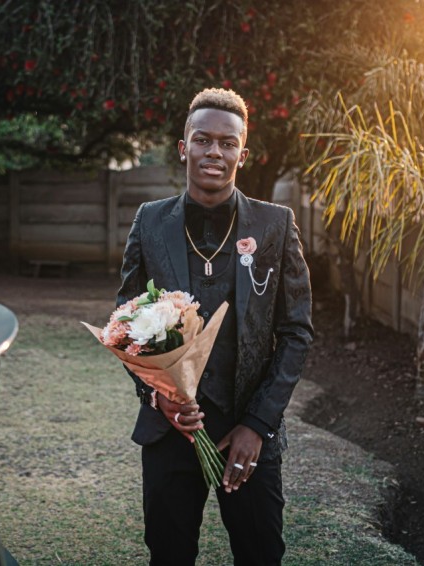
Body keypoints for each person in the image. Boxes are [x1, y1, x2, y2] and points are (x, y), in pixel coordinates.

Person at [117, 87, 314, 565]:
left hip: (249, 432)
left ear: (242, 154)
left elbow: (296, 332)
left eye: (227, 144)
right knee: (168, 555)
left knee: (261, 553)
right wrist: (158, 395)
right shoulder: (149, 221)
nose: (214, 153)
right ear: (184, 147)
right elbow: (124, 320)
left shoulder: (275, 225)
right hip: (171, 430)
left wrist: (258, 425)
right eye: (203, 140)